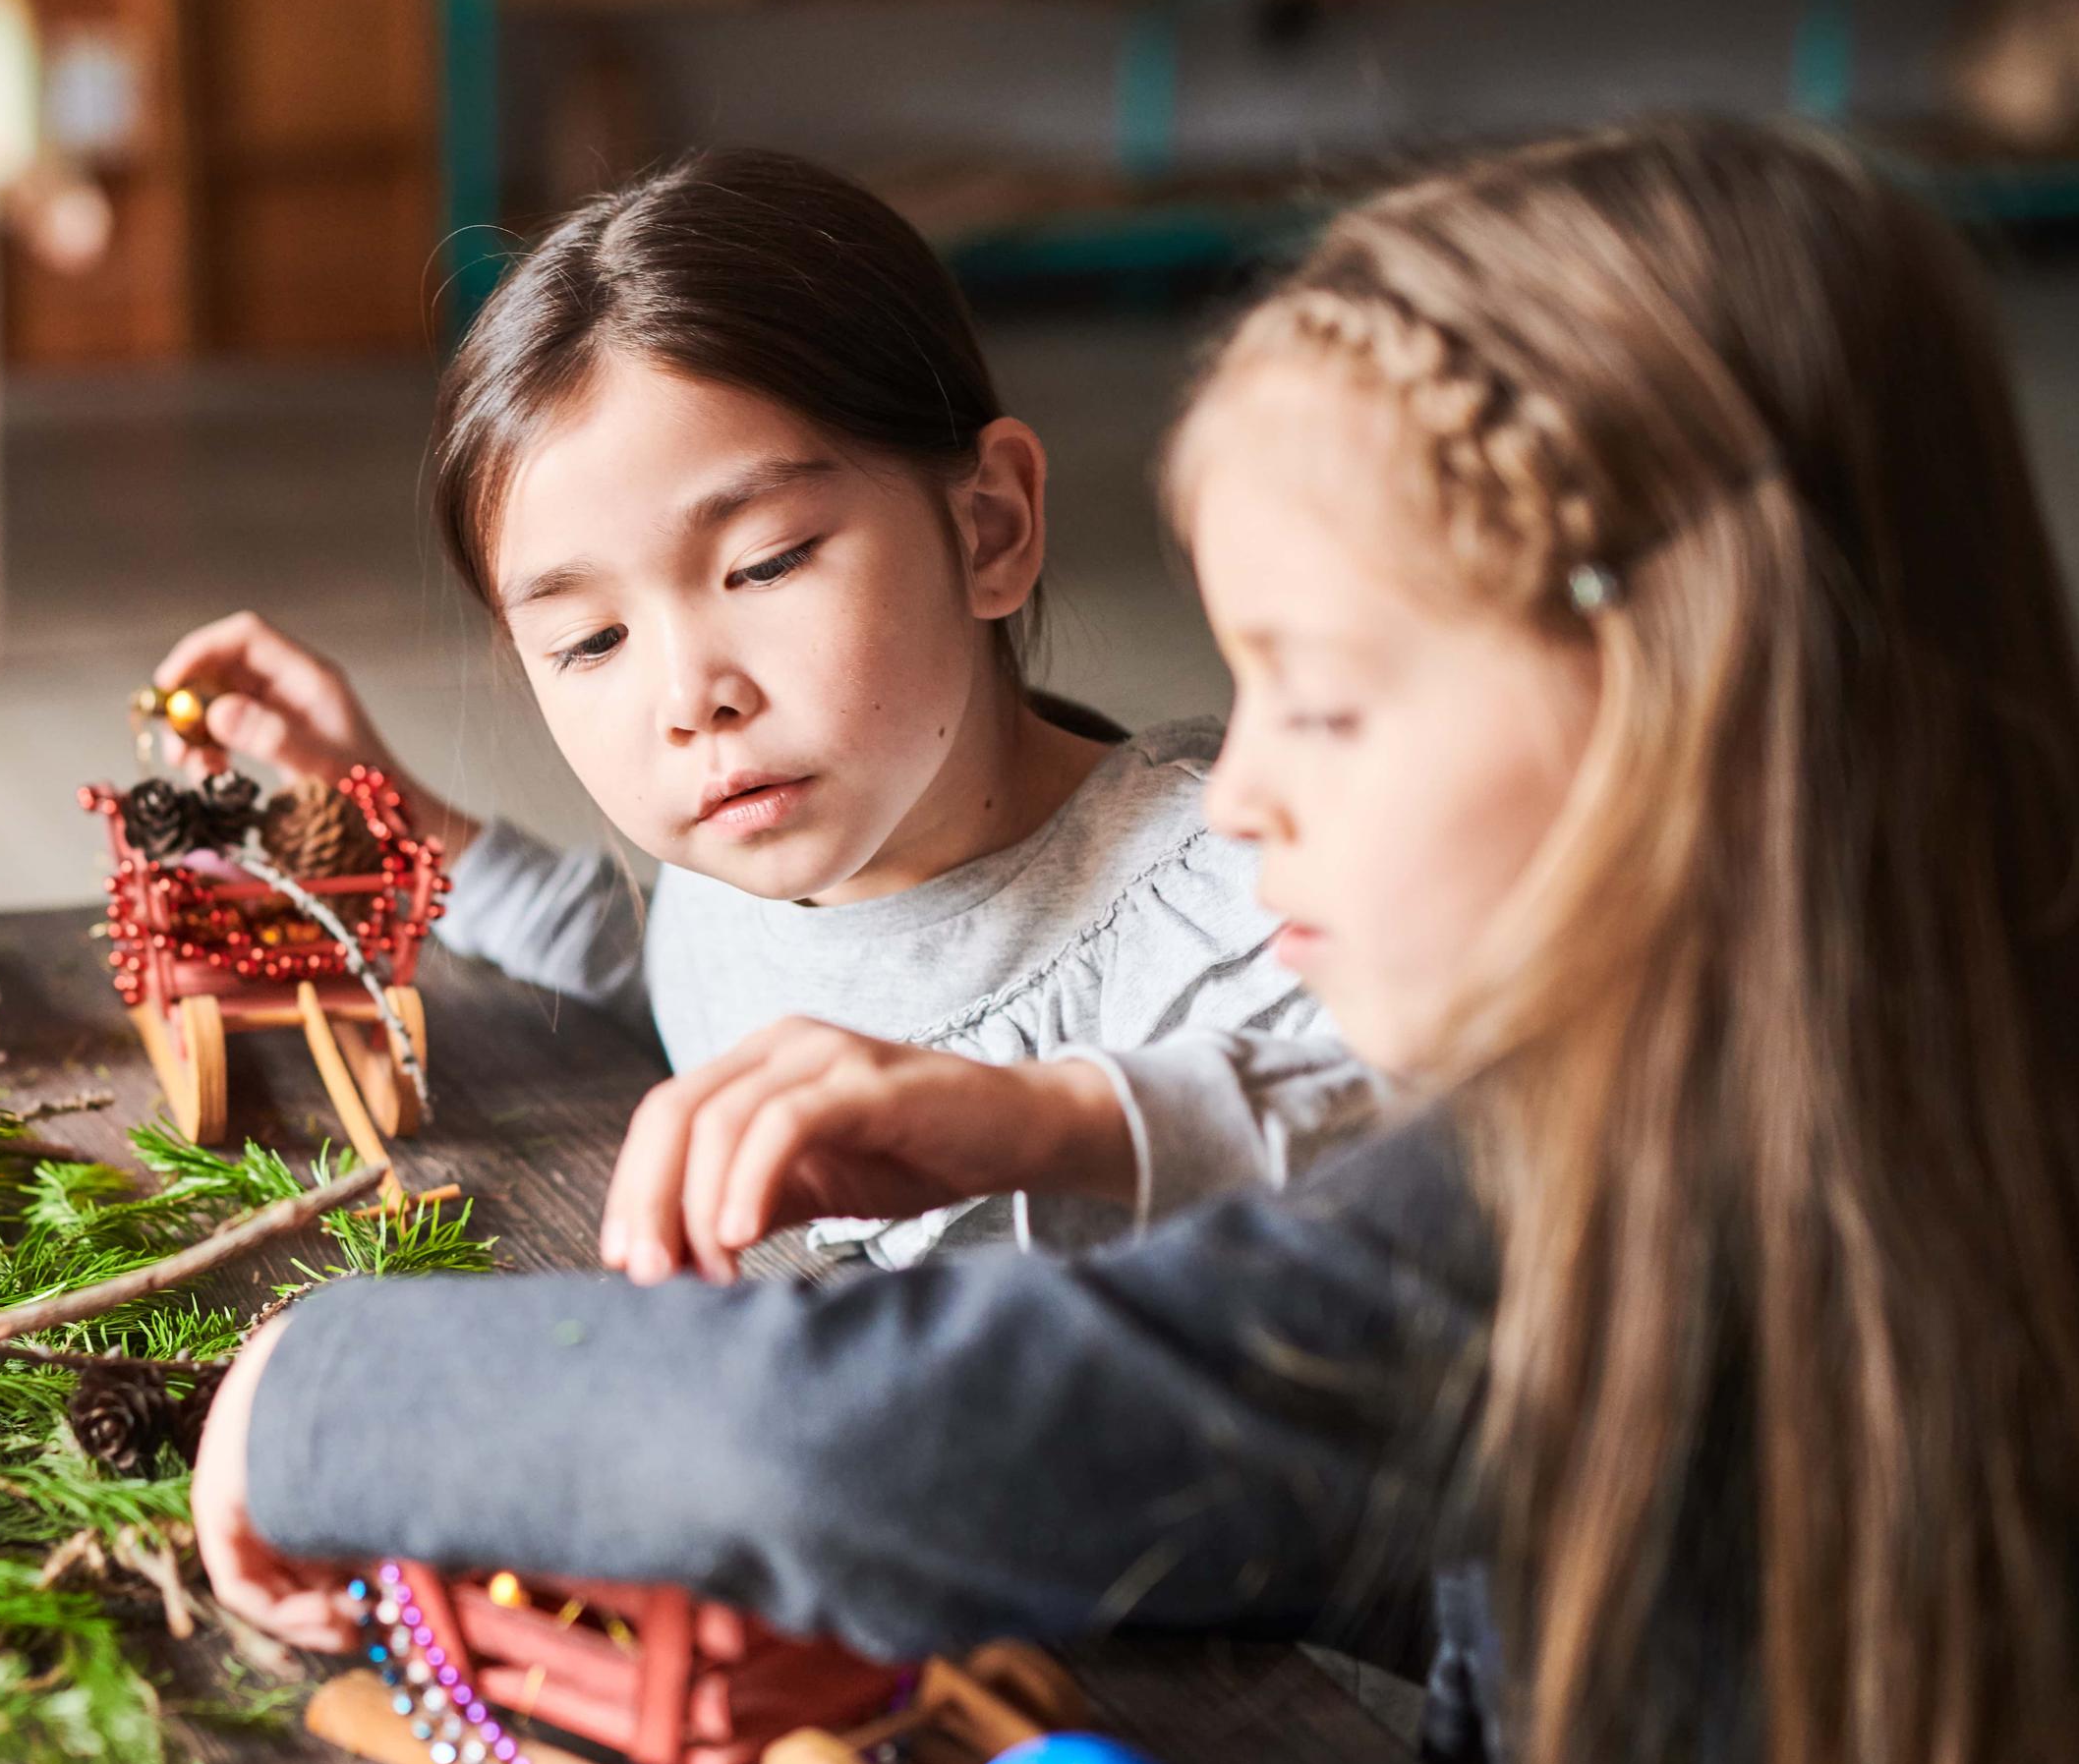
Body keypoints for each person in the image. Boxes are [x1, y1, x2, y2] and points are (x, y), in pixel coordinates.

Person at [193, 118, 2079, 1764]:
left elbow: (876, 1454)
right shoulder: (1902, 1030)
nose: (1240, 783)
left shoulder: (1630, 1171)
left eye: (1331, 702)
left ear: (1689, 699)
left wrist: (320, 1386)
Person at [160, 151, 1371, 1270]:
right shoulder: (734, 884)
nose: (692, 697)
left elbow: (1465, 1124)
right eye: (591, 640)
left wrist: (1055, 1120)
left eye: (768, 563)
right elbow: (651, 959)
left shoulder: (1241, 901)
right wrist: (389, 808)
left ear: (987, 525)